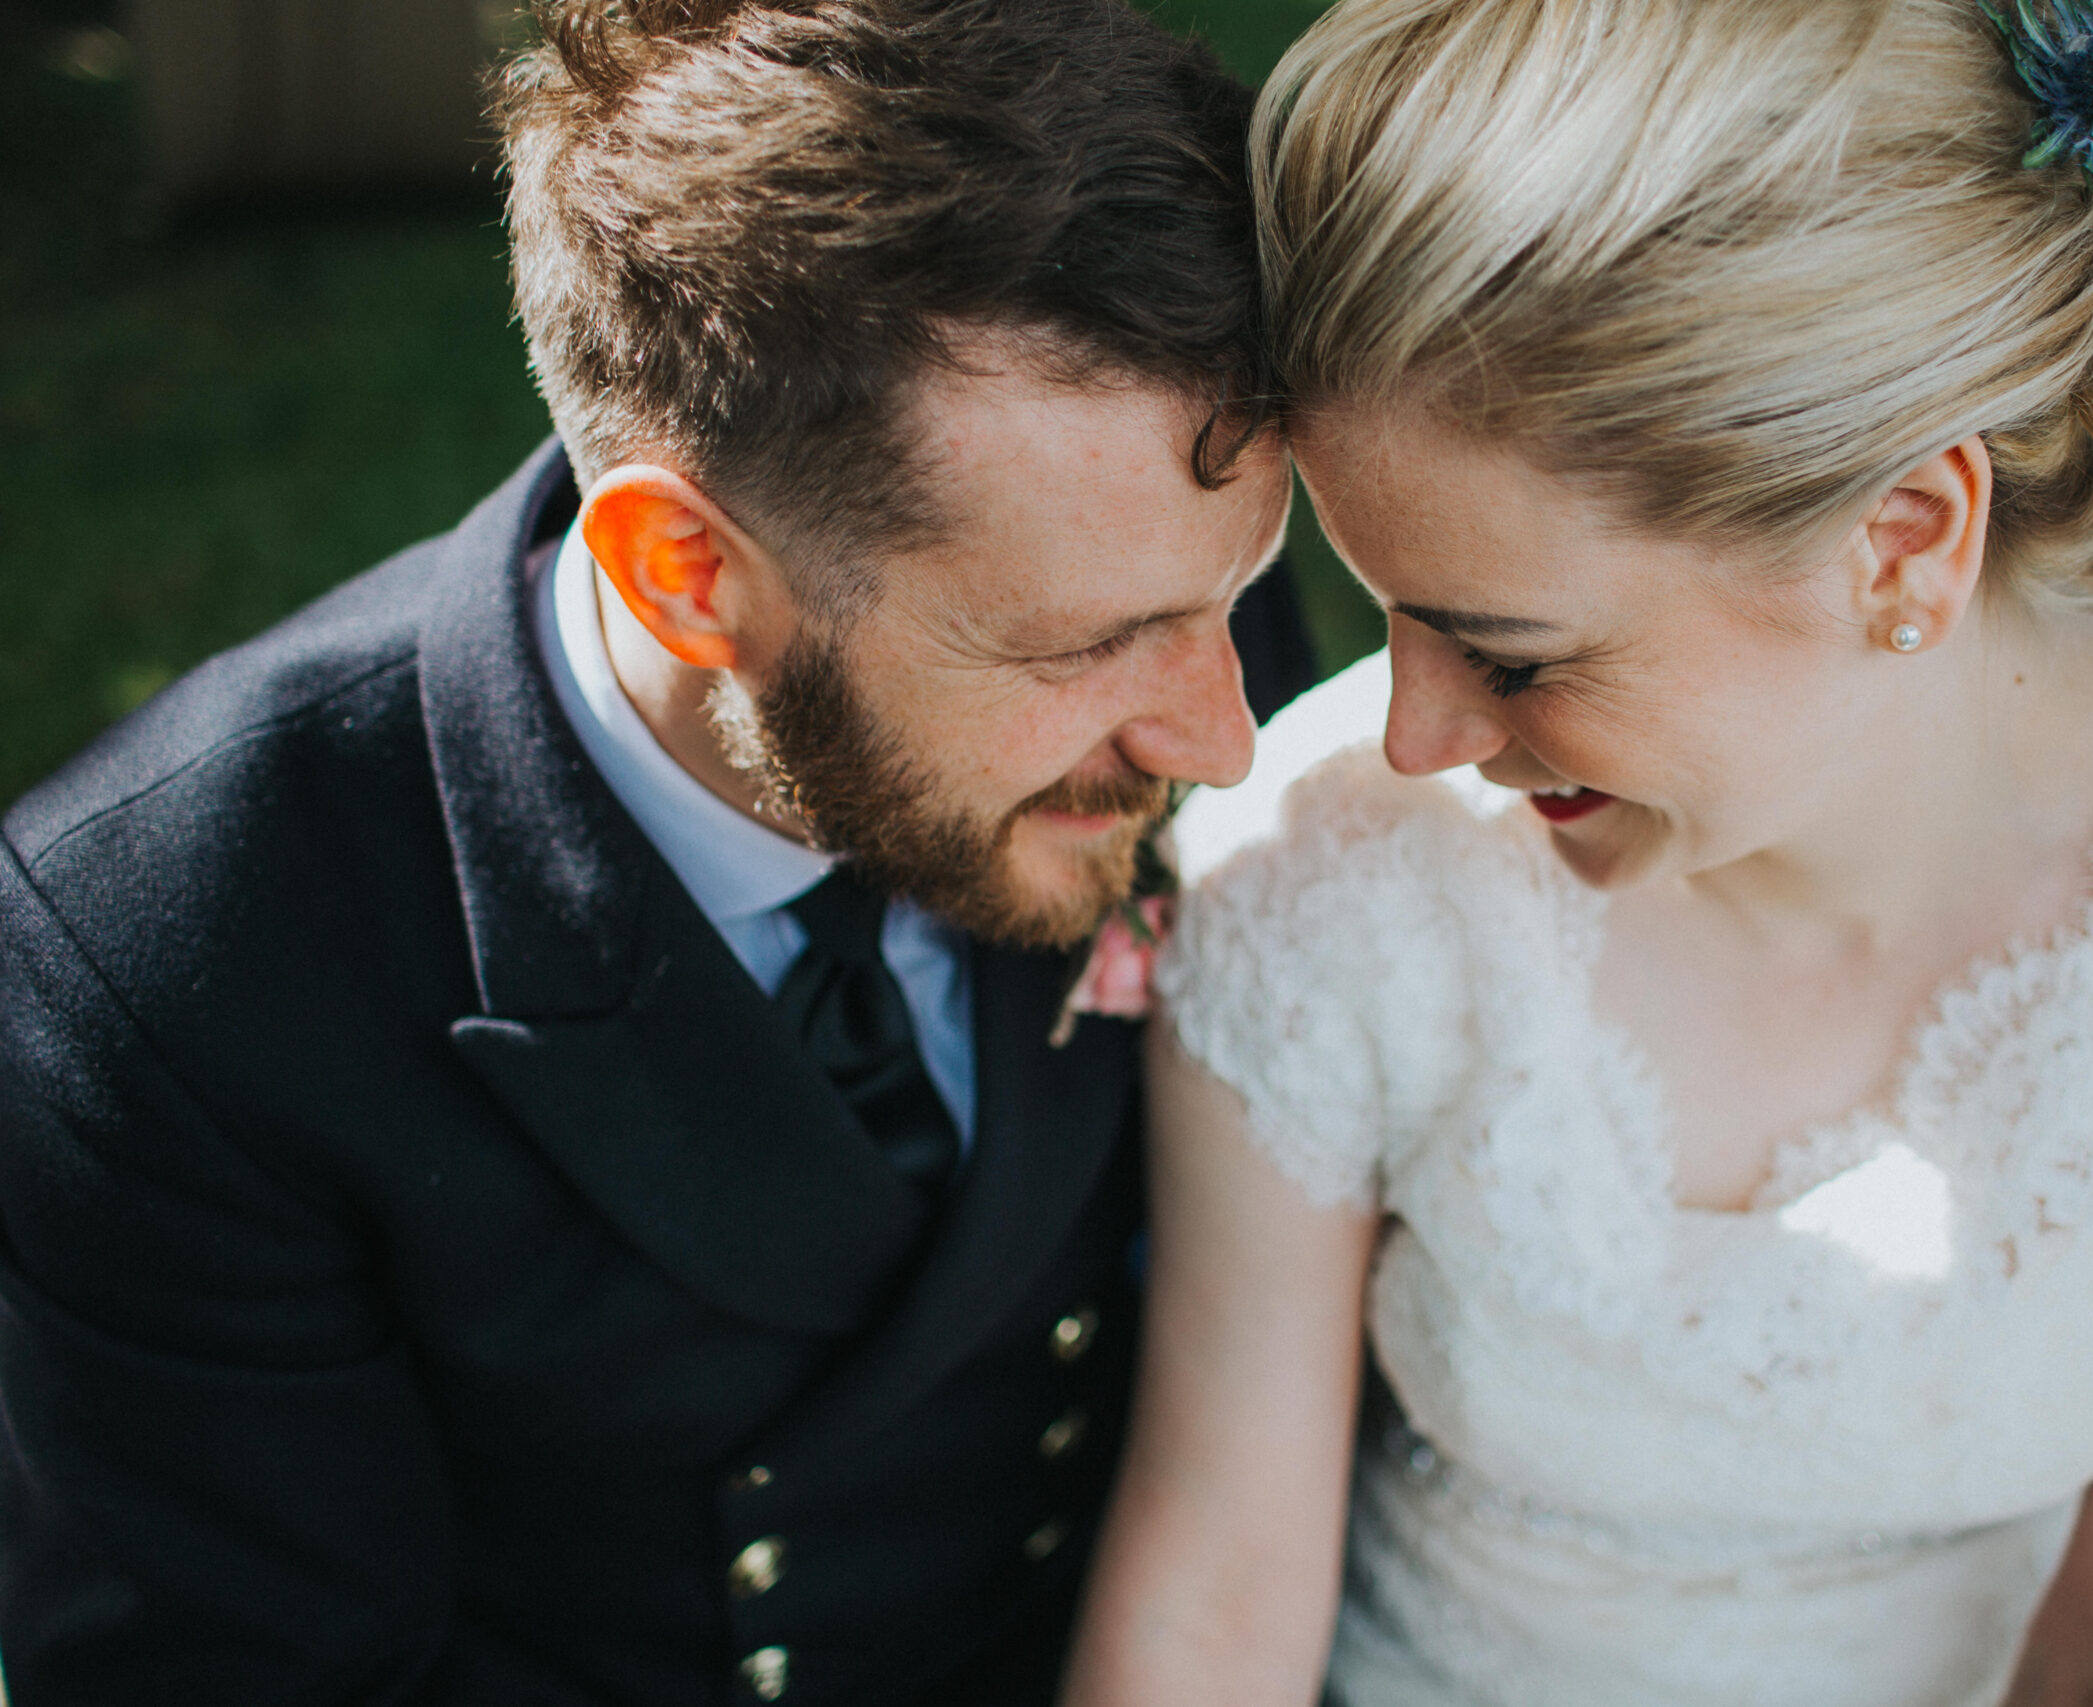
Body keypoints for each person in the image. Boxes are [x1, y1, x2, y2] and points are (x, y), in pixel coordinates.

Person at [1062, 0, 2093, 1702]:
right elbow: (1216, 1590)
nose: (1412, 738)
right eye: (1382, 611)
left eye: (1513, 653)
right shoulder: (1335, 871)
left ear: (1903, 545)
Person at [0, 1, 1316, 1701]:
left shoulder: (1152, 567)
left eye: (1229, 597)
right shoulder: (166, 967)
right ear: (686, 576)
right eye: (1078, 650)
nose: (1224, 742)